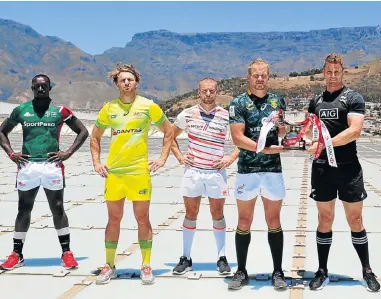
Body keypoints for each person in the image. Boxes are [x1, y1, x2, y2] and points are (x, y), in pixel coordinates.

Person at [90, 63, 174, 285]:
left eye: (130, 79)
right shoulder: (108, 108)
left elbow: (169, 131)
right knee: (113, 219)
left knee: (142, 218)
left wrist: (163, 158)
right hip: (115, 173)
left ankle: (146, 265)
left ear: (136, 82)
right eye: (122, 80)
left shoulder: (148, 106)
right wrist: (97, 162)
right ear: (117, 84)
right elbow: (95, 136)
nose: (126, 82)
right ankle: (109, 265)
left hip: (139, 172)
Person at [305, 54, 380, 292]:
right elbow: (309, 131)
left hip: (348, 169)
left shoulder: (353, 98)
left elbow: (355, 131)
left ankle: (367, 270)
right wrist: (307, 140)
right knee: (324, 220)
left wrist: (325, 144)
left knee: (355, 220)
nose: (333, 76)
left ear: (343, 72)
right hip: (322, 169)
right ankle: (322, 270)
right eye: (329, 72)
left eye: (337, 72)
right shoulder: (315, 100)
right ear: (323, 72)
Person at [0, 74, 88, 271]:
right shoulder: (21, 110)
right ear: (32, 87)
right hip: (27, 167)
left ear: (50, 87)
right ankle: (17, 254)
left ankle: (66, 253)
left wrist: (68, 153)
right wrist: (11, 153)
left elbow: (83, 131)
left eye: (44, 86)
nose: (41, 90)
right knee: (24, 210)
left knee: (57, 209)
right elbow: (1, 131)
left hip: (52, 166)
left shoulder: (60, 111)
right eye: (37, 87)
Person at [228, 58, 288, 291]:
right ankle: (241, 271)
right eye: (256, 75)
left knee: (274, 221)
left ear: (269, 77)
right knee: (244, 221)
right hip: (248, 170)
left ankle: (278, 272)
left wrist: (284, 128)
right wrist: (263, 148)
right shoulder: (238, 103)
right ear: (248, 77)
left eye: (264, 75)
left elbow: (281, 130)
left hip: (272, 170)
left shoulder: (277, 100)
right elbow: (237, 137)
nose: (260, 78)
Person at [170, 77, 240, 276]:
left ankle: (222, 257)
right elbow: (170, 136)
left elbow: (241, 140)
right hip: (193, 172)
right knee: (190, 214)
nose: (208, 94)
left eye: (211, 91)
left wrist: (230, 158)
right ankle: (186, 257)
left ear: (217, 92)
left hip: (216, 173)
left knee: (217, 215)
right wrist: (180, 157)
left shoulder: (226, 116)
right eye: (204, 91)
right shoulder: (188, 114)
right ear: (198, 92)